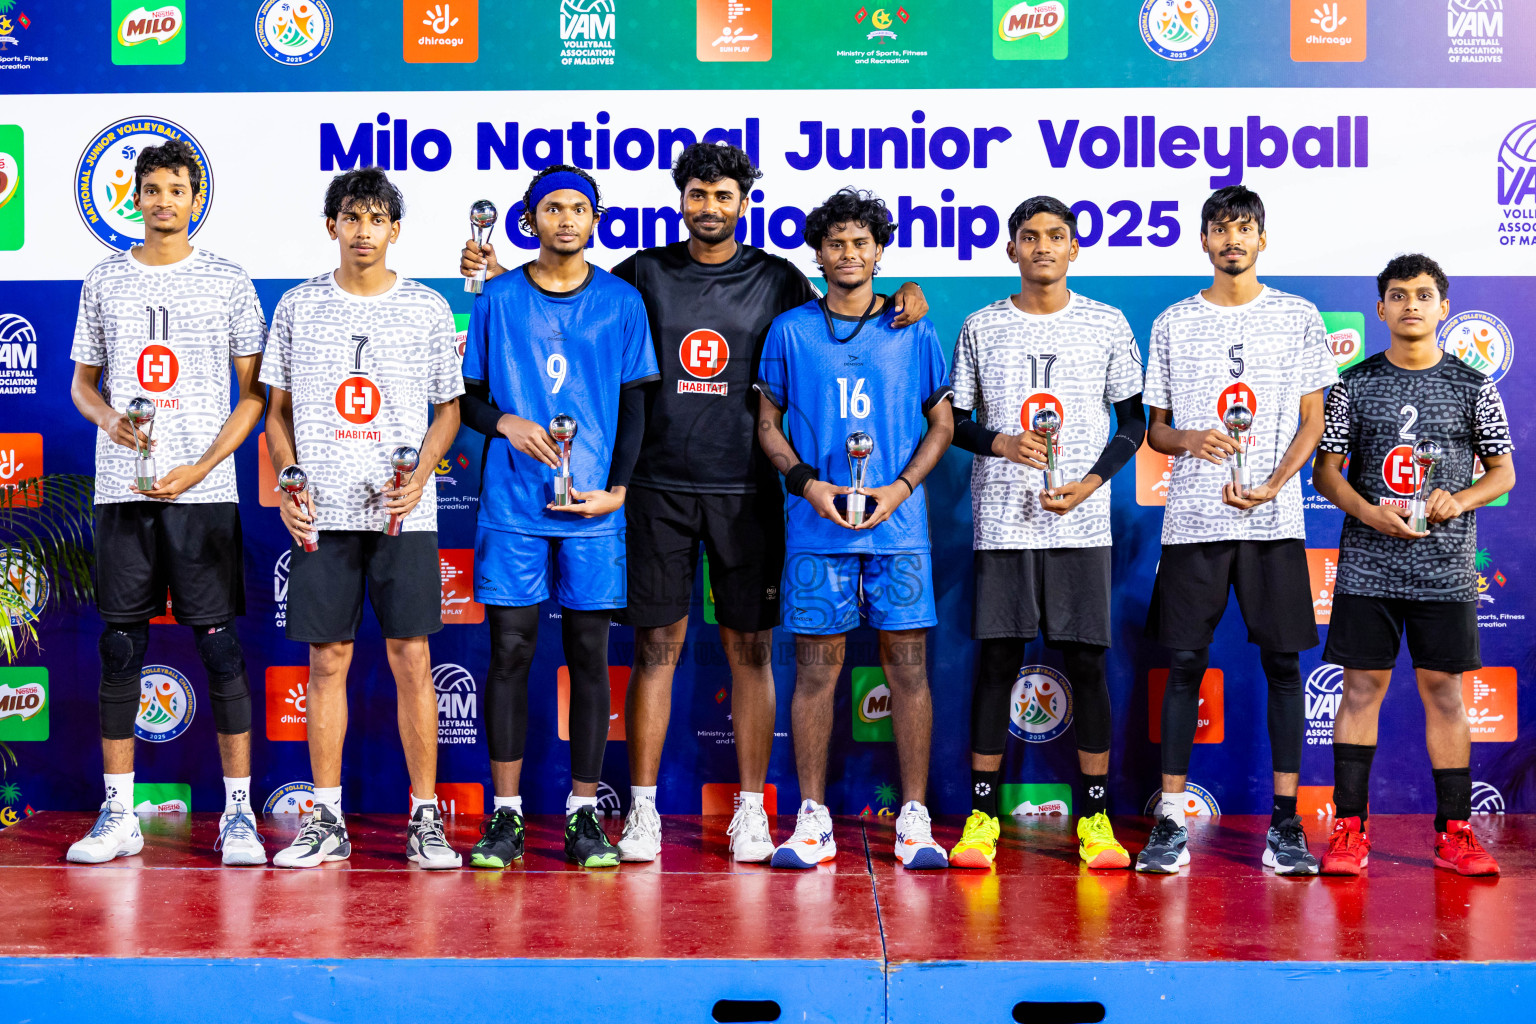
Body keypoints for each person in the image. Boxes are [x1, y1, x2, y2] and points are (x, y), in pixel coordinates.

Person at [461, 142, 928, 863]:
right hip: (654, 490)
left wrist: (905, 296)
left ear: (745, 203)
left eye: (724, 196)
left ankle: (750, 810)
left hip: (745, 490)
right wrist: (496, 279)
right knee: (655, 649)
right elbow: (563, 300)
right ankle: (641, 812)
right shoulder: (642, 273)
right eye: (698, 195)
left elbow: (844, 324)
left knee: (749, 649)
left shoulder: (777, 281)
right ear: (680, 200)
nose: (710, 207)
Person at [66, 139, 268, 866]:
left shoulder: (228, 282)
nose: (162, 202)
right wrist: (110, 420)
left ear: (194, 198)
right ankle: (118, 815)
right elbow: (82, 384)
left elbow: (254, 397)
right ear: (135, 198)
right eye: (150, 190)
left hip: (204, 492)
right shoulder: (104, 280)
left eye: (175, 190)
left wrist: (202, 464)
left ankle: (239, 816)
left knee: (219, 649)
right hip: (123, 489)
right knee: (121, 647)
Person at [457, 165, 660, 869]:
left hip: (592, 505)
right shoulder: (498, 299)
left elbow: (636, 404)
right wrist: (505, 421)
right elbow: (470, 399)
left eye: (578, 208)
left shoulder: (623, 301)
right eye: (552, 208)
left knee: (589, 657)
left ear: (595, 218)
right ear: (529, 219)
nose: (566, 219)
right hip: (514, 503)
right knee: (510, 652)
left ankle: (583, 815)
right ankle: (505, 817)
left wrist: (620, 489)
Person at [263, 167, 464, 870]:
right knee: (328, 662)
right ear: (332, 227)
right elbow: (275, 413)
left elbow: (450, 412)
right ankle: (325, 818)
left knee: (413, 660)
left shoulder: (429, 309)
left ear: (395, 231)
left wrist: (423, 474)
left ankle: (424, 818)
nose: (364, 231)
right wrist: (290, 479)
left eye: (377, 219)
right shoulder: (296, 307)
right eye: (351, 217)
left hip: (401, 514)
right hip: (323, 512)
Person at [755, 188, 953, 870]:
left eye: (860, 242)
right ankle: (812, 817)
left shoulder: (913, 327)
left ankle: (915, 818)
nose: (849, 253)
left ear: (879, 251)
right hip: (818, 529)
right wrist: (810, 485)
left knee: (908, 671)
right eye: (836, 242)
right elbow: (766, 425)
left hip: (897, 530)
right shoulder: (789, 331)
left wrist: (898, 489)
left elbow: (944, 425)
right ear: (818, 253)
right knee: (815, 675)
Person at [1140, 185, 1335, 875]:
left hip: (1273, 521)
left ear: (1262, 239)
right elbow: (1154, 428)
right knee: (1184, 664)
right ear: (1203, 241)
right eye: (1220, 228)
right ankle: (1168, 821)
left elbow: (1313, 419)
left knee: (1285, 666)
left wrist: (1278, 484)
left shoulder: (1299, 317)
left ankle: (1286, 825)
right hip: (1193, 522)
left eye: (1244, 227)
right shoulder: (1172, 322)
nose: (1232, 239)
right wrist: (1191, 437)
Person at [946, 196, 1145, 870]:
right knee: (997, 666)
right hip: (1002, 525)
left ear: (1073, 248)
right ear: (1012, 250)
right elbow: (958, 423)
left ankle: (1095, 818)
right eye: (1029, 237)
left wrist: (1090, 484)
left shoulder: (1107, 324)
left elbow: (1133, 424)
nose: (1042, 248)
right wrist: (1000, 442)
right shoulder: (981, 326)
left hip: (1081, 522)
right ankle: (981, 816)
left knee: (1087, 666)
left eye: (1056, 236)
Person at [1312, 254, 1514, 877]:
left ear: (1443, 308)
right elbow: (1325, 472)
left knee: (1444, 694)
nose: (1411, 306)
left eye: (1424, 295)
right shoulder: (1353, 384)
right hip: (1370, 567)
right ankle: (1349, 831)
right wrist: (1367, 512)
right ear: (1380, 309)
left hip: (1445, 571)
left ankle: (1455, 831)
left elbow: (1503, 470)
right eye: (1398, 296)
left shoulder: (1473, 385)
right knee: (1361, 690)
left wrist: (1462, 496)